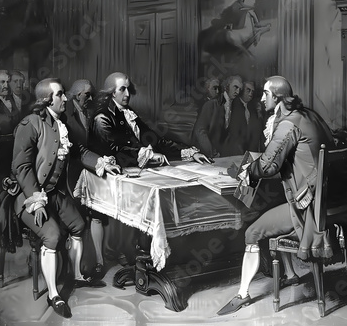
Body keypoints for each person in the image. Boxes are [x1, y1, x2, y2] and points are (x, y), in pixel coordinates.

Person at [217, 76, 335, 316]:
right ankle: (291, 275)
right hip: (329, 200)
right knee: (271, 209)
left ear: (279, 99)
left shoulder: (287, 124)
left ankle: (242, 294)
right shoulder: (310, 115)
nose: (262, 99)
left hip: (308, 210)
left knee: (252, 231)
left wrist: (246, 171)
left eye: (266, 94)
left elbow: (268, 165)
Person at [12, 78, 119, 319]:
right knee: (52, 235)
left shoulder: (62, 124)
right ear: (47, 100)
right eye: (60, 94)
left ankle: (77, 276)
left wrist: (101, 163)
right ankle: (53, 294)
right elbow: (21, 167)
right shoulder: (30, 124)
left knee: (79, 225)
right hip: (29, 196)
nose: (66, 98)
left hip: (56, 195)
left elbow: (80, 151)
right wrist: (36, 199)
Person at [89, 72, 212, 264]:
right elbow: (114, 149)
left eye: (128, 88)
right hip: (108, 179)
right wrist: (146, 154)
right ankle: (128, 254)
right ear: (111, 93)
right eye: (122, 89)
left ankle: (143, 253)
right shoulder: (102, 118)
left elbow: (157, 141)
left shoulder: (129, 114)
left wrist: (188, 152)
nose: (128, 93)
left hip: (133, 174)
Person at [66, 79, 113, 279]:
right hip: (74, 174)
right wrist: (100, 162)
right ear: (76, 96)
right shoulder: (64, 116)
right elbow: (77, 150)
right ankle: (77, 267)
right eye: (87, 94)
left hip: (96, 171)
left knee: (97, 214)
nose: (91, 98)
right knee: (77, 219)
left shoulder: (94, 113)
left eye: (92, 94)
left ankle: (99, 262)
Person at [193, 75, 243, 157]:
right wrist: (212, 153)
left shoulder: (236, 107)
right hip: (206, 155)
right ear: (227, 86)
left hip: (223, 157)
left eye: (239, 89)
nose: (237, 92)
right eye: (235, 87)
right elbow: (200, 131)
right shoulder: (211, 104)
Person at [226, 81, 264, 154]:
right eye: (248, 90)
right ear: (242, 91)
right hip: (235, 150)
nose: (251, 93)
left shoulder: (253, 107)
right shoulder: (233, 105)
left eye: (252, 91)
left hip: (249, 150)